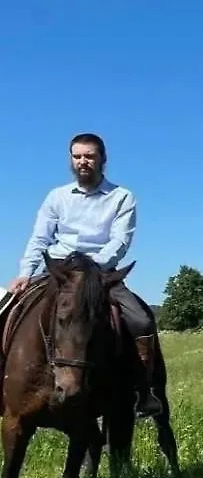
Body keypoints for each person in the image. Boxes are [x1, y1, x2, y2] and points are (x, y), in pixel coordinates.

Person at [7, 133, 163, 417]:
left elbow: (119, 242)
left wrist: (89, 272)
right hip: (58, 273)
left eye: (89, 156)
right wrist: (25, 273)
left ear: (103, 159)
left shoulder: (122, 197)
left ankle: (144, 392)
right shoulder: (57, 196)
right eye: (77, 156)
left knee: (140, 319)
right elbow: (39, 239)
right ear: (71, 160)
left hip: (100, 275)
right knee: (6, 305)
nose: (83, 161)